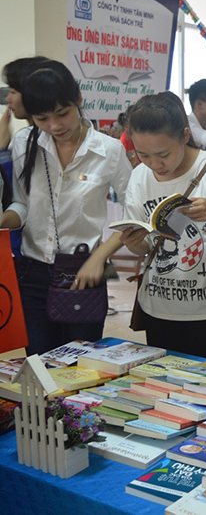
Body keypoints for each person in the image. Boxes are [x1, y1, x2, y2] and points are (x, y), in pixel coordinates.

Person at [0, 60, 132, 355]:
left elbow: (134, 213)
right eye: (42, 118)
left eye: (63, 114)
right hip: (32, 275)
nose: (55, 126)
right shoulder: (24, 142)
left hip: (82, 274)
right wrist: (4, 219)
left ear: (79, 101)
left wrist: (100, 257)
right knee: (40, 366)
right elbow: (21, 204)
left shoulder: (108, 151)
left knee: (80, 368)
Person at [119, 92, 206, 362]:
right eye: (144, 154)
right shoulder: (139, 176)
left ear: (185, 135)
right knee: (164, 389)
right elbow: (144, 242)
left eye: (163, 154)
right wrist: (135, 244)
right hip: (158, 307)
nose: (155, 164)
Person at [1, 56, 50, 259]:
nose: (7, 99)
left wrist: (1, 149)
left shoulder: (46, 144)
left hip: (30, 252)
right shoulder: (22, 141)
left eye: (13, 91)